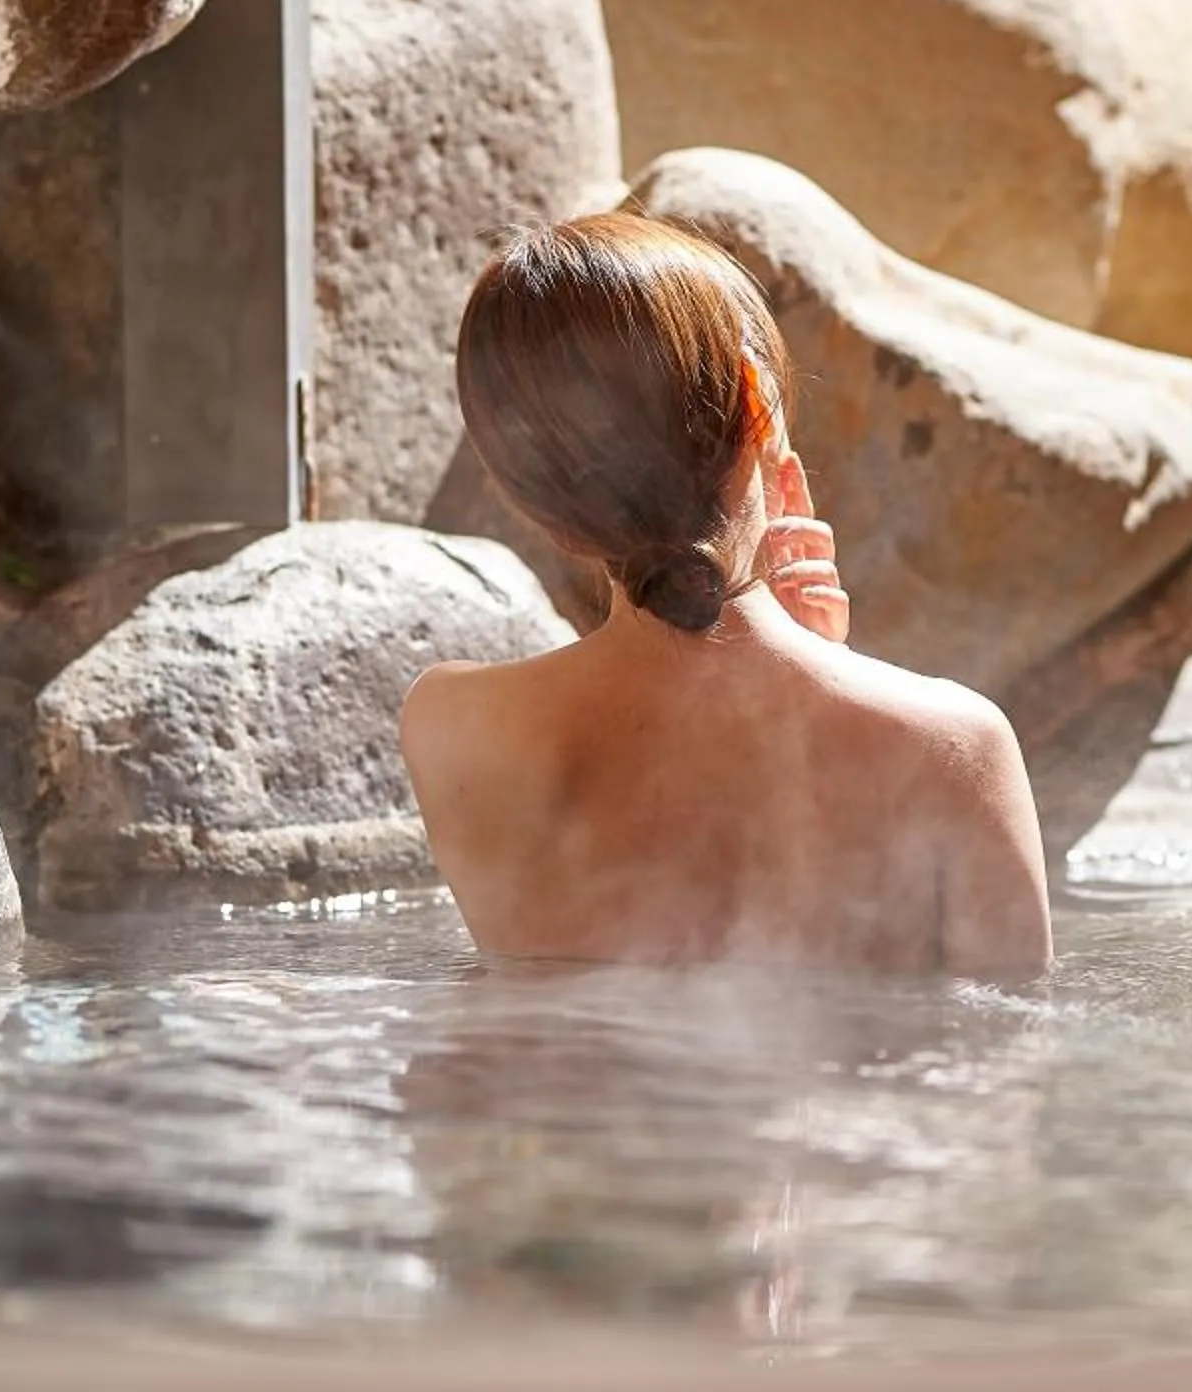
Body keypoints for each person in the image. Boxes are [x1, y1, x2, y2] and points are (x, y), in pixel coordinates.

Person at [400, 211, 1053, 979]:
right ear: (753, 402)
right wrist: (827, 668)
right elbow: (1005, 1068)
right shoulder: (952, 747)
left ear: (526, 491)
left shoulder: (453, 727)